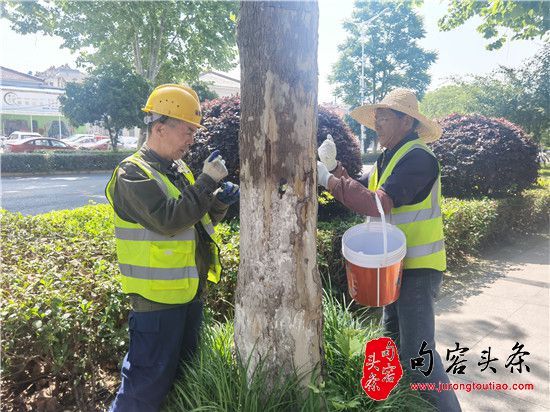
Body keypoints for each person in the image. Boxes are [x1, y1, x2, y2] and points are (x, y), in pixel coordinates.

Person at [317, 88, 461, 411]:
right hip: (393, 267)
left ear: (406, 121)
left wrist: (328, 181)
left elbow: (376, 205)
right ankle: (392, 404)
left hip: (417, 270)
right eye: (376, 117)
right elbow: (364, 190)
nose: (376, 123)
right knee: (389, 342)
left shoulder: (418, 159)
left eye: (383, 117)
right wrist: (335, 168)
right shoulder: (389, 157)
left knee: (418, 356)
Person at [105, 84, 240, 411]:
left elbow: (195, 221)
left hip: (187, 294)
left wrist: (218, 202)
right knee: (144, 387)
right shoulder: (132, 173)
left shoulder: (178, 169)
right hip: (156, 302)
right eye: (187, 130)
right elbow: (168, 220)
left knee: (181, 378)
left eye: (194, 131)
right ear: (160, 128)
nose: (191, 139)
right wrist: (206, 182)